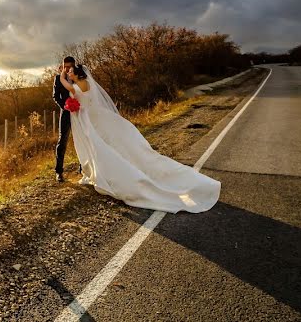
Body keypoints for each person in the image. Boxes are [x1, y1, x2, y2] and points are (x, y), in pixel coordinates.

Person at [58, 63, 220, 213]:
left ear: (78, 75)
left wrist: (60, 75)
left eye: (72, 71)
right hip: (97, 117)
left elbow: (65, 84)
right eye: (68, 71)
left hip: (91, 121)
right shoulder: (86, 84)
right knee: (108, 145)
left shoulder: (75, 87)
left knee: (99, 147)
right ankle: (103, 172)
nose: (69, 72)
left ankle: (111, 175)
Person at [53, 56, 82, 182]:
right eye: (65, 67)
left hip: (80, 112)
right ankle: (59, 172)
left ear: (74, 66)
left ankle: (83, 168)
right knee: (62, 141)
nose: (67, 69)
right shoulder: (58, 79)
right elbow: (55, 96)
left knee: (82, 139)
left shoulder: (78, 76)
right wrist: (65, 106)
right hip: (66, 113)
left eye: (70, 66)